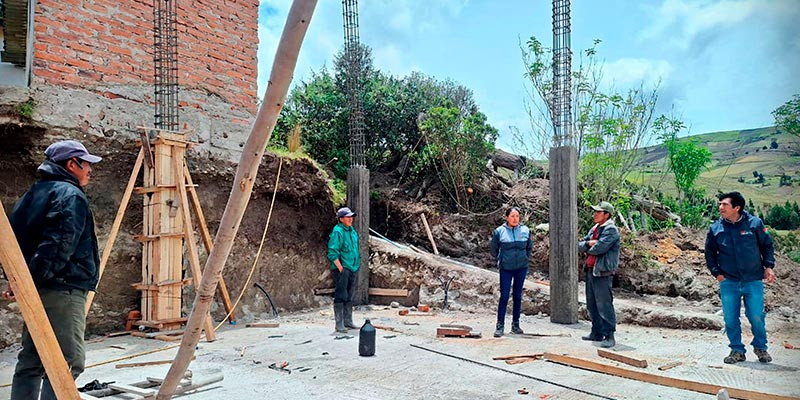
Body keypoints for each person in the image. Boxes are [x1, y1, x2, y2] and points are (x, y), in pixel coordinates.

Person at [5, 140, 102, 400]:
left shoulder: (32, 195)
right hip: (62, 289)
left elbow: (13, 243)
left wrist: (21, 283)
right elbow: (58, 245)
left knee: (32, 359)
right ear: (72, 164)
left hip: (39, 288)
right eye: (86, 164)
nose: (90, 170)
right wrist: (33, 280)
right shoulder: (69, 195)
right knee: (68, 360)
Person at [705, 191, 775, 364]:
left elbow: (767, 245)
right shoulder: (715, 228)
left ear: (737, 207)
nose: (720, 207)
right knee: (730, 318)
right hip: (729, 281)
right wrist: (717, 274)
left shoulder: (755, 224)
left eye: (725, 204)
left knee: (757, 316)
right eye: (720, 204)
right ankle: (737, 350)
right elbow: (709, 253)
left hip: (753, 280)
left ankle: (761, 348)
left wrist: (769, 267)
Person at [577, 201, 620, 348]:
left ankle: (609, 335)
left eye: (598, 212)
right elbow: (580, 245)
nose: (595, 214)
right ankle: (596, 332)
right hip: (591, 270)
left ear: (606, 215)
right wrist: (590, 243)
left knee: (604, 304)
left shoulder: (611, 230)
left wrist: (589, 245)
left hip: (602, 272)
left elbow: (599, 248)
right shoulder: (595, 228)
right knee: (592, 303)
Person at [490, 207, 532, 337]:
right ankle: (500, 325)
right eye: (512, 216)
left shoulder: (525, 230)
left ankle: (515, 324)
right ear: (507, 217)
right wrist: (501, 259)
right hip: (506, 268)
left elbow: (529, 248)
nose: (515, 219)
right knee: (504, 296)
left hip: (521, 268)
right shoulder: (499, 231)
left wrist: (524, 258)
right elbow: (493, 249)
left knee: (518, 296)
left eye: (517, 216)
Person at [327, 207, 361, 333]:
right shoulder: (338, 232)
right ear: (341, 219)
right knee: (341, 295)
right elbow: (332, 252)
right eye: (347, 217)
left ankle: (348, 321)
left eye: (351, 216)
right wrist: (340, 267)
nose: (350, 219)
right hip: (343, 268)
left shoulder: (352, 231)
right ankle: (339, 324)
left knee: (350, 294)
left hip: (353, 267)